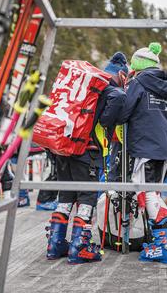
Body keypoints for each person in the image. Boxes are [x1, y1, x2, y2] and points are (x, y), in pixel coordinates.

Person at [46, 52, 126, 264]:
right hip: (87, 151)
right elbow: (119, 98)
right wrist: (106, 120)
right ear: (121, 74)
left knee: (66, 194)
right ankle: (79, 247)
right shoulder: (107, 86)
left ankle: (55, 244)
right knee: (87, 197)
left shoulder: (85, 84)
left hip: (64, 147)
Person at [117, 42, 167, 264]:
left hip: (143, 145)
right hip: (162, 147)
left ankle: (165, 246)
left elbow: (125, 110)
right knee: (154, 192)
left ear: (138, 65)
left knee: (146, 192)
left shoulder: (137, 82)